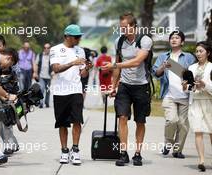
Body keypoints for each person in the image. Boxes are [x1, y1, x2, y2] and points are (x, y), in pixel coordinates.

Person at [102, 13, 153, 166]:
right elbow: (117, 65)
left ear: (134, 27)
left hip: (141, 86)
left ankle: (138, 154)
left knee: (140, 121)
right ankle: (123, 153)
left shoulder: (145, 40)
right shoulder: (119, 41)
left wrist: (115, 65)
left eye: (125, 27)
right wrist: (113, 85)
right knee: (122, 118)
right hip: (124, 85)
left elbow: (137, 62)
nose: (122, 30)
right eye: (121, 27)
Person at [50, 24, 92, 165]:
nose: (79, 39)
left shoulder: (81, 51)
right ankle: (64, 151)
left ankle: (75, 150)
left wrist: (86, 67)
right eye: (76, 37)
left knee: (77, 120)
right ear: (67, 36)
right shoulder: (55, 49)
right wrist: (73, 62)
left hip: (75, 90)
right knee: (62, 123)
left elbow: (83, 73)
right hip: (60, 91)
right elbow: (56, 69)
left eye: (80, 36)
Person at [152, 31, 196, 159]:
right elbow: (156, 73)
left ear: (182, 42)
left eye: (177, 38)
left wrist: (188, 81)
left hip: (185, 96)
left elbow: (192, 75)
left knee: (183, 125)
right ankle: (168, 144)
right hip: (169, 95)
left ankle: (177, 150)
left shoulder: (189, 57)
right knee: (172, 120)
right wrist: (163, 66)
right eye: (172, 38)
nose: (174, 40)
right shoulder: (163, 57)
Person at [182, 41, 212, 172]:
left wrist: (204, 85)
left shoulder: (211, 67)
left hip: (209, 102)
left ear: (208, 53)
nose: (198, 53)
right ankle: (201, 160)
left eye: (201, 51)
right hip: (195, 103)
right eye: (197, 51)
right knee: (198, 131)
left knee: (211, 132)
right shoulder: (191, 68)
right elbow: (189, 88)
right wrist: (186, 86)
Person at [0, 34, 19, 155]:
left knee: (5, 120)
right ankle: (13, 143)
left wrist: (11, 95)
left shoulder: (8, 60)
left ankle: (9, 145)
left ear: (3, 47)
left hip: (6, 94)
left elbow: (14, 80)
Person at [36, 43, 52, 108]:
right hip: (41, 75)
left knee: (47, 90)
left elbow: (55, 64)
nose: (46, 49)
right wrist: (35, 72)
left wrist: (54, 71)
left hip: (49, 76)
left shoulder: (52, 56)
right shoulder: (40, 55)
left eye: (48, 48)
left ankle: (47, 102)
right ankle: (41, 103)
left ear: (50, 49)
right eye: (45, 48)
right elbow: (36, 64)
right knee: (42, 89)